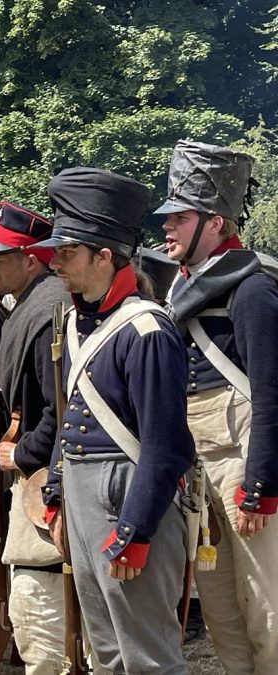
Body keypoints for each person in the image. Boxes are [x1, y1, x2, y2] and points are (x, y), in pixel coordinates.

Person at [32, 167, 194, 673]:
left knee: (147, 654)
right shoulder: (80, 324)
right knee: (105, 650)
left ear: (104, 256)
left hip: (127, 495)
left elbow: (164, 447)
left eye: (67, 252)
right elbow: (67, 417)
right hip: (83, 492)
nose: (54, 263)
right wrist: (57, 493)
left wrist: (136, 531)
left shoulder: (145, 329)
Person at [157, 140, 278, 673]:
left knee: (267, 609)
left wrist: (260, 487)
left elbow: (271, 394)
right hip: (203, 468)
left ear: (213, 222)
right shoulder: (181, 291)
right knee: (223, 609)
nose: (167, 229)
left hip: (245, 459)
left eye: (179, 218)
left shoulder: (251, 290)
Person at [0, 201, 68, 673]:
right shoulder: (29, 307)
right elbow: (27, 389)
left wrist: (23, 451)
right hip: (38, 473)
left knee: (39, 609)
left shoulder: (47, 309)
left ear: (31, 258)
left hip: (44, 477)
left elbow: (59, 410)